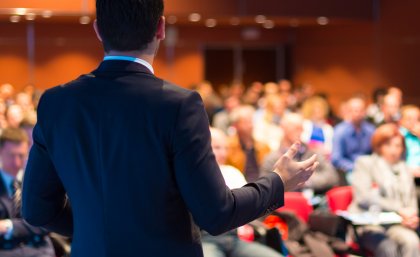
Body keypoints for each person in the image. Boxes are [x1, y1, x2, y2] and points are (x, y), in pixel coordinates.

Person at [21, 1, 318, 257]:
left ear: (98, 29)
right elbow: (216, 214)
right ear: (160, 28)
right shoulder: (179, 105)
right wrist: (278, 182)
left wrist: (98, 225)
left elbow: (36, 210)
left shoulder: (56, 103)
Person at [202, 128, 283, 257]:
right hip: (206, 240)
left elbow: (251, 204)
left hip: (234, 239)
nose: (223, 153)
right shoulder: (196, 177)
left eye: (225, 148)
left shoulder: (232, 172)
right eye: (217, 147)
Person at [349, 124, 419, 257]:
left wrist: (412, 217)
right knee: (388, 247)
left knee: (412, 241)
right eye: (388, 145)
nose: (394, 150)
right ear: (379, 146)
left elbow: (411, 199)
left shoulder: (404, 168)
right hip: (369, 223)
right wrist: (399, 209)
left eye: (398, 146)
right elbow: (364, 197)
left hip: (396, 223)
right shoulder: (365, 163)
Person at [0, 128, 55, 257]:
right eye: (11, 155)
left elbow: (46, 223)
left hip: (40, 250)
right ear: (0, 152)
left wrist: (9, 226)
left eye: (21, 155)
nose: (16, 162)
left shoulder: (37, 180)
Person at [260, 113, 338, 194]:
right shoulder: (272, 158)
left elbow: (332, 177)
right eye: (295, 128)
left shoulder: (313, 152)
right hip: (286, 203)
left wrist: (305, 181)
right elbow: (266, 187)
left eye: (301, 128)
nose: (300, 131)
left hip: (315, 201)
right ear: (283, 128)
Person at [331, 97, 375, 183]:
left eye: (361, 110)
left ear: (365, 111)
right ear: (349, 112)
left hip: (369, 169)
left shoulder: (371, 130)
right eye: (355, 110)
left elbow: (375, 153)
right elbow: (336, 158)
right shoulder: (340, 131)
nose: (358, 113)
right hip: (349, 170)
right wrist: (355, 167)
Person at [226, 105, 271, 182]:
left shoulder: (263, 146)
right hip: (240, 187)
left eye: (251, 121)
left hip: (261, 185)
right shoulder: (228, 146)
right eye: (246, 122)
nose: (250, 125)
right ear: (236, 125)